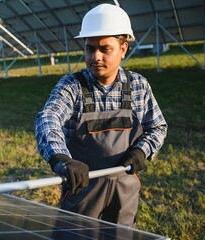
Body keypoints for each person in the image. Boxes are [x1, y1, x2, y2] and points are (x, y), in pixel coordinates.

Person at [34, 3, 167, 228]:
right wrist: (62, 159)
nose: (95, 56)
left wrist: (141, 150)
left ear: (123, 49)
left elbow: (157, 127)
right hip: (81, 191)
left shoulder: (138, 86)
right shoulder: (72, 85)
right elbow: (48, 119)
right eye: (89, 48)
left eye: (105, 49)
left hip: (124, 193)